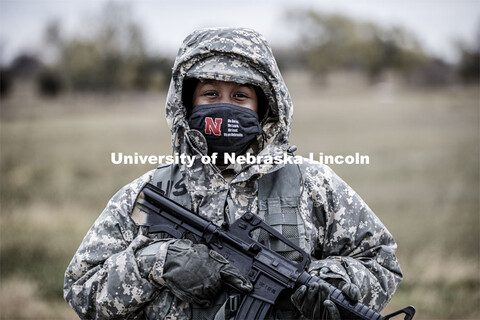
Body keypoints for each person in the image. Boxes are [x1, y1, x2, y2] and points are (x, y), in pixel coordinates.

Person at [64, 27, 402, 320]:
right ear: (187, 105)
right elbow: (81, 292)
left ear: (265, 106)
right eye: (210, 94)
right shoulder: (149, 194)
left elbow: (381, 263)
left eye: (240, 95)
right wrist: (154, 263)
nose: (224, 107)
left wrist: (334, 283)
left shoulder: (313, 185)